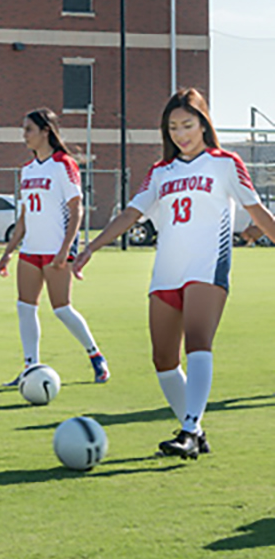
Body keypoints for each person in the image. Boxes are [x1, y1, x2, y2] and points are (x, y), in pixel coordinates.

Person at [73, 88, 275, 458]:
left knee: (198, 343)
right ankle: (195, 431)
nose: (181, 134)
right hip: (166, 271)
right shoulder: (160, 172)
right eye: (173, 127)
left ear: (203, 125)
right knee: (163, 359)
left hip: (206, 267)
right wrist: (91, 247)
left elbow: (258, 212)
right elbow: (131, 214)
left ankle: (187, 430)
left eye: (187, 125)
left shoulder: (225, 162)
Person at [0, 109, 110, 385]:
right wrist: (9, 250)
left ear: (46, 131)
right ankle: (30, 367)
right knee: (25, 307)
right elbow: (24, 216)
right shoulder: (27, 169)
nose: (24, 135)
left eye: (29, 130)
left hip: (56, 250)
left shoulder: (63, 164)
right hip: (30, 251)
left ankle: (96, 357)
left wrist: (65, 249)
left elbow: (76, 208)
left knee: (61, 308)